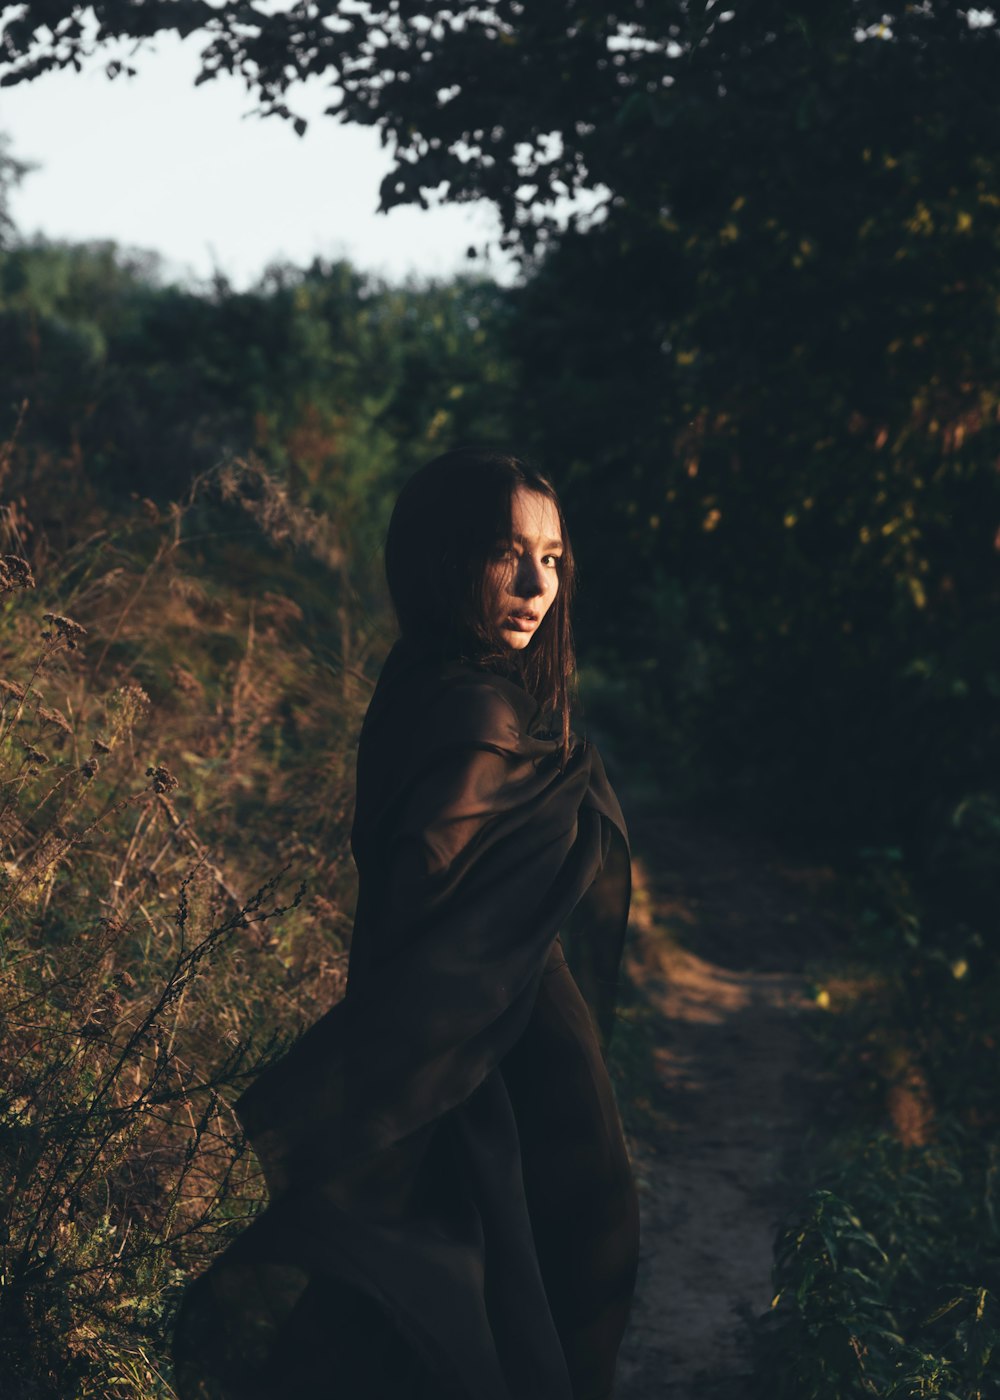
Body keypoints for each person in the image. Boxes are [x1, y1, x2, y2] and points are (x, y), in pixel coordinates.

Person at [170, 447, 640, 1399]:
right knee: (524, 1279)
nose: (533, 584)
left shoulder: (423, 682)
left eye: (553, 558)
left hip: (468, 1028)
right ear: (440, 556)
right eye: (506, 552)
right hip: (489, 1042)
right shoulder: (471, 705)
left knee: (450, 1285)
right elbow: (428, 869)